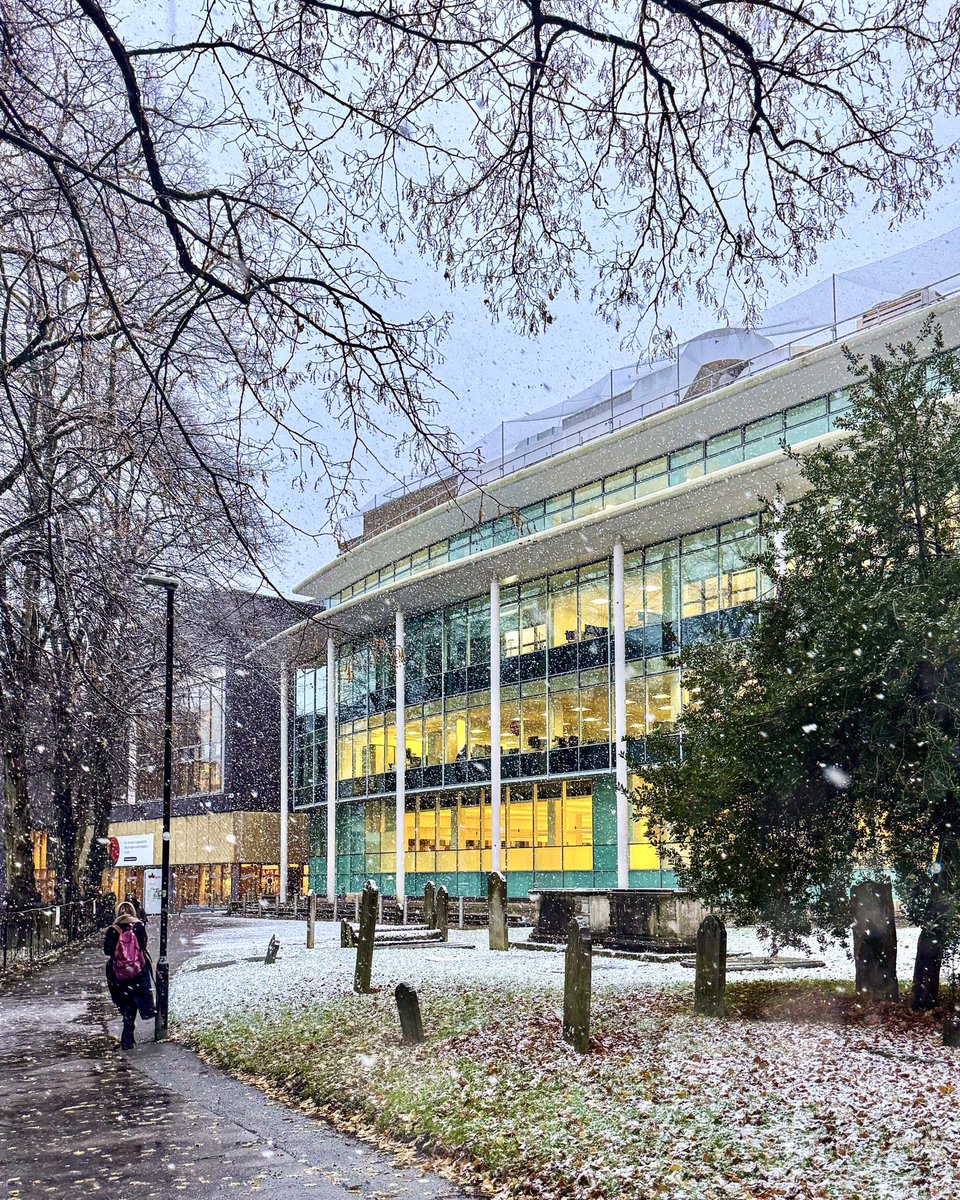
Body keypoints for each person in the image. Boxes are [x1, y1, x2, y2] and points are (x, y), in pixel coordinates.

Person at [103, 900, 155, 1050]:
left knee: (124, 1003)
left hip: (117, 973)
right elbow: (143, 945)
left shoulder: (113, 929)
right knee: (134, 1001)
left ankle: (127, 1036)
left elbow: (107, 951)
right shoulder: (138, 926)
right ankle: (128, 1036)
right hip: (137, 970)